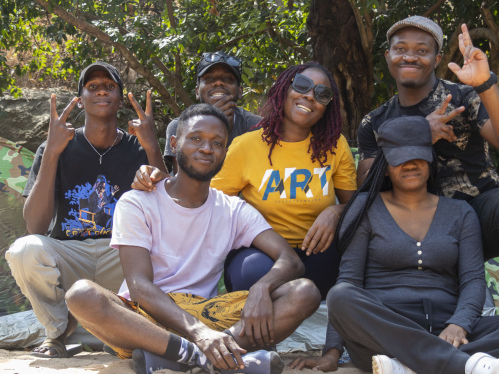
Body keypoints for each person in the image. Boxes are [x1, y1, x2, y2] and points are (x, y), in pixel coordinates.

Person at [64, 104, 321, 374]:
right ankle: (209, 358)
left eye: (217, 143)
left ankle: (184, 358)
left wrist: (262, 289)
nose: (207, 148)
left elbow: (290, 260)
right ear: (174, 143)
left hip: (208, 313)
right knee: (82, 295)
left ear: (225, 152)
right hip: (145, 318)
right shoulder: (137, 201)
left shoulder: (233, 209)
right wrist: (199, 333)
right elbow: (139, 286)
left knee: (304, 292)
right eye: (196, 138)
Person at [292, 116, 499, 374]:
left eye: (418, 156)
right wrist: (331, 352)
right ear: (385, 165)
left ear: (430, 159)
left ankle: (407, 365)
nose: (410, 165)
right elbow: (349, 280)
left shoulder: (460, 212)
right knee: (341, 296)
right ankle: (465, 365)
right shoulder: (365, 208)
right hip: (385, 333)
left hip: (447, 330)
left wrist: (459, 325)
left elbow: (473, 281)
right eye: (399, 159)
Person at [357, 16, 499, 316]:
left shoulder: (462, 97)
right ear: (388, 57)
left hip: (476, 213)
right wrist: (420, 133)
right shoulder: (374, 121)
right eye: (401, 49)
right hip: (415, 226)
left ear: (436, 59)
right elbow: (367, 188)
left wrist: (485, 85)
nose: (410, 55)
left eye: (422, 50)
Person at [134, 62, 357, 298]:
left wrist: (335, 212)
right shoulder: (247, 145)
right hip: (261, 251)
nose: (310, 96)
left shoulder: (335, 146)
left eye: (322, 94)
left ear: (327, 106)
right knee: (251, 276)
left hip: (317, 250)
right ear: (284, 90)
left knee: (343, 276)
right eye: (302, 86)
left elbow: (355, 207)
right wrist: (162, 181)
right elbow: (204, 198)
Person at [5, 61, 166, 358]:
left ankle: (124, 329)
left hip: (122, 256)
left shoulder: (138, 146)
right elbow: (35, 227)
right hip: (71, 255)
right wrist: (52, 151)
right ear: (80, 99)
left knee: (162, 249)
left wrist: (153, 147)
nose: (101, 91)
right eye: (92, 87)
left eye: (109, 86)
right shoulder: (57, 145)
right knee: (23, 249)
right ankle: (57, 333)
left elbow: (170, 217)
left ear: (119, 98)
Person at [163, 51, 261, 174]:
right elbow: (181, 184)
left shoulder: (258, 127)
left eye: (228, 79)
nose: (219, 83)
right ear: (197, 92)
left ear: (239, 91)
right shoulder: (181, 126)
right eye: (209, 79)